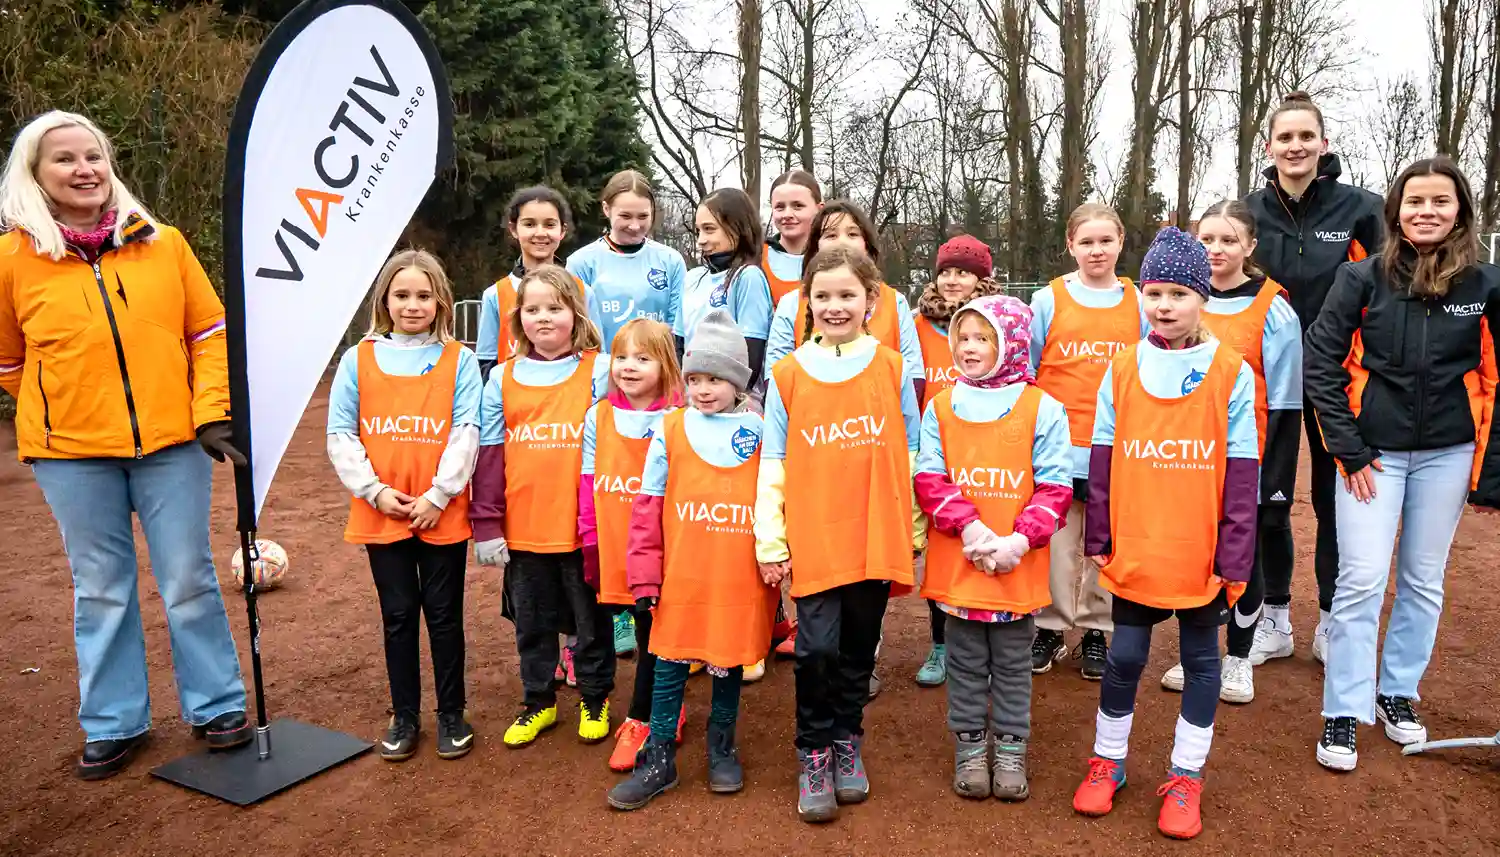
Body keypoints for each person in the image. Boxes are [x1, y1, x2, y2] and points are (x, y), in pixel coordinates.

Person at [0, 110, 250, 780]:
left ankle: (218, 705)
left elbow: (208, 330)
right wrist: (60, 410)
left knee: (189, 577)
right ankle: (115, 721)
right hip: (71, 457)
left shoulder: (162, 243)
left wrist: (209, 413)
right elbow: (8, 359)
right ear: (35, 175)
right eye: (65, 159)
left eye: (95, 155)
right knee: (102, 587)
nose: (85, 169)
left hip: (172, 446)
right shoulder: (12, 259)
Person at [1303, 157, 1500, 771]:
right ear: (1396, 210)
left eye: (1441, 202)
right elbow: (1322, 367)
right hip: (1374, 457)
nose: (1426, 212)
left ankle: (1397, 693)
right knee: (1360, 578)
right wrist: (1349, 449)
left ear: (1460, 212)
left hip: (1448, 452)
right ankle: (1344, 706)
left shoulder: (1486, 286)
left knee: (1422, 578)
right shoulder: (1360, 279)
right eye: (1415, 201)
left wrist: (1488, 472)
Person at [1070, 227, 1258, 841]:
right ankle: (1109, 761)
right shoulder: (1124, 367)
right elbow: (1101, 457)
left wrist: (1234, 550)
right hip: (1139, 544)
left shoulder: (1230, 371)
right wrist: (1099, 535)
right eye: (1154, 291)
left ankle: (1185, 777)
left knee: (1203, 662)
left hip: (1198, 549)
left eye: (1180, 292)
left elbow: (1241, 472)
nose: (1165, 304)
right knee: (1125, 657)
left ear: (1203, 297)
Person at [754, 245, 924, 823]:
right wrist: (771, 539)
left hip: (875, 533)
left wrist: (914, 527)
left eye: (847, 294)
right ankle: (814, 751)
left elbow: (912, 451)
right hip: (816, 535)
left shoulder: (891, 367)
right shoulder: (789, 374)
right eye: (822, 296)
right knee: (815, 649)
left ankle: (848, 740)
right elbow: (773, 461)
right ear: (807, 303)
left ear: (871, 300)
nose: (834, 305)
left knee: (856, 648)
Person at [607, 310, 777, 809]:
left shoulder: (759, 431)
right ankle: (658, 757)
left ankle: (721, 747)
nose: (704, 389)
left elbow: (772, 500)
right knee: (667, 666)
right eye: (696, 378)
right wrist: (644, 574)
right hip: (681, 577)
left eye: (717, 379)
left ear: (738, 382)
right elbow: (648, 507)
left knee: (727, 664)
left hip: (736, 578)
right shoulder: (672, 427)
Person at [1244, 91, 1384, 664]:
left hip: (1336, 378)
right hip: (1265, 380)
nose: (1296, 146)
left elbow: (1386, 285)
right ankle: (1273, 616)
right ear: (1270, 146)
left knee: (1334, 500)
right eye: (1285, 137)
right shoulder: (1247, 211)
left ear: (1324, 144)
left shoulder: (1362, 208)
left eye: (1307, 136)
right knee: (1265, 500)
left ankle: (1329, 618)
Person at [915, 295, 1072, 801]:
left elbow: (1055, 486)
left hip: (1015, 568)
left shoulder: (1042, 407)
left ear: (1010, 344)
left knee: (1011, 664)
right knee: (963, 663)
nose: (969, 347)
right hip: (963, 565)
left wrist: (1018, 541)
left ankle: (1009, 749)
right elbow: (929, 476)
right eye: (962, 337)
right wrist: (973, 532)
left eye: (983, 338)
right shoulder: (941, 405)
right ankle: (969, 748)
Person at [327, 250, 481, 761]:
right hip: (383, 509)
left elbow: (467, 430)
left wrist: (439, 494)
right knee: (398, 614)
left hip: (441, 509)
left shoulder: (460, 359)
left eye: (423, 295)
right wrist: (374, 491)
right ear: (385, 301)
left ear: (440, 300)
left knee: (443, 616)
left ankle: (452, 713)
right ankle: (405, 715)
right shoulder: (358, 358)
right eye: (401, 296)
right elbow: (340, 433)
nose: (412, 305)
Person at [1158, 200, 1302, 704]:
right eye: (1206, 239)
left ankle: (1239, 657)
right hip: (1188, 458)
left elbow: (1286, 402)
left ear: (1250, 246)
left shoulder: (1272, 307)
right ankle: (1197, 650)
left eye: (1228, 239)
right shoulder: (1178, 302)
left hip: (1249, 458)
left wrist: (1275, 477)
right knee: (1194, 552)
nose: (1216, 249)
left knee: (1247, 555)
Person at [471, 265, 612, 748]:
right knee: (532, 623)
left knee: (590, 623)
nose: (544, 318)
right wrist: (487, 523)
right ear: (518, 319)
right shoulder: (502, 377)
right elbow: (490, 454)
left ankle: (595, 696)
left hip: (582, 527)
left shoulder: (602, 368)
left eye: (555, 307)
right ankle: (539, 702)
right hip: (525, 527)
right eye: (533, 309)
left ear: (576, 314)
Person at [1029, 203, 1148, 680]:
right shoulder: (1048, 299)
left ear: (1120, 243)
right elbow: (1031, 366)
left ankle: (1098, 628)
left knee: (1105, 541)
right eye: (1087, 242)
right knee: (1058, 541)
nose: (1096, 250)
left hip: (1116, 446)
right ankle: (1052, 625)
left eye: (1106, 241)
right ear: (1070, 246)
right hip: (1059, 445)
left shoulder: (1139, 301)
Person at [578, 319, 685, 771]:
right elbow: (587, 482)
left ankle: (644, 717)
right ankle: (659, 706)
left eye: (643, 358)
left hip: (661, 549)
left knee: (652, 631)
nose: (629, 367)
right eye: (621, 357)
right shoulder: (597, 416)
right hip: (613, 542)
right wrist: (590, 537)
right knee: (626, 627)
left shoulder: (678, 419)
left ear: (665, 366)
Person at [911, 234, 999, 689]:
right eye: (945, 270)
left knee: (987, 539)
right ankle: (942, 643)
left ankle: (993, 641)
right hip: (934, 451)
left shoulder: (998, 325)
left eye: (962, 272)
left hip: (985, 449)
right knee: (941, 548)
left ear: (981, 278)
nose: (951, 280)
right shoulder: (918, 323)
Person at [476, 186, 593, 381]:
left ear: (562, 230)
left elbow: (594, 353)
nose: (540, 233)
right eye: (529, 224)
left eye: (549, 225)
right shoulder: (495, 294)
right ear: (514, 229)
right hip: (516, 403)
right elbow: (487, 362)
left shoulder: (582, 291)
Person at [568, 170, 687, 348]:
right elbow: (576, 329)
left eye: (643, 216)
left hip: (657, 371)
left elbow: (676, 330)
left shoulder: (671, 261)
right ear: (606, 209)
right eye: (625, 216)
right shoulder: (581, 263)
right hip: (600, 372)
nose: (634, 225)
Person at [675, 187, 774, 387]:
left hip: (734, 403)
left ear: (738, 228)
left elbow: (751, 357)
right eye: (698, 231)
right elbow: (678, 346)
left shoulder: (747, 277)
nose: (701, 240)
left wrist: (727, 399)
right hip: (693, 399)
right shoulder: (692, 278)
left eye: (709, 229)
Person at [763, 170, 823, 304]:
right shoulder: (756, 258)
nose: (787, 214)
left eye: (798, 206)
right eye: (780, 207)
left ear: (819, 209)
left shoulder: (836, 258)